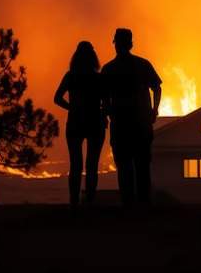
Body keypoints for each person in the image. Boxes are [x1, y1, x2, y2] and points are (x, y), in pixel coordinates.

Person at [101, 28, 162, 206]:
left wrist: (107, 113)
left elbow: (104, 97)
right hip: (140, 123)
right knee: (142, 166)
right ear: (131, 44)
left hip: (121, 124)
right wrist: (154, 110)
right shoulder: (143, 64)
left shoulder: (109, 69)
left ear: (117, 44)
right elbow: (157, 87)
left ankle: (128, 204)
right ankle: (143, 204)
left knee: (124, 166)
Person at [54, 41, 106, 207]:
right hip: (95, 121)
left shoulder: (71, 76)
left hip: (75, 121)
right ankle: (90, 201)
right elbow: (106, 101)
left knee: (75, 164)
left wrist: (72, 107)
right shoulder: (98, 78)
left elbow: (57, 98)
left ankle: (74, 202)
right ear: (93, 58)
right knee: (92, 165)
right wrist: (103, 114)